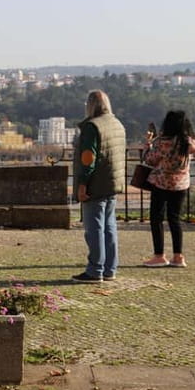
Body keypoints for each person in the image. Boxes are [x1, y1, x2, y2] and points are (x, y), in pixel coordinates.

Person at [71, 90, 126, 283]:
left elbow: (88, 158)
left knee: (94, 229)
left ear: (90, 105)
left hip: (96, 184)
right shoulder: (117, 124)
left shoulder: (92, 127)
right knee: (109, 228)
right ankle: (110, 268)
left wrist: (83, 184)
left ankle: (95, 270)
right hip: (113, 182)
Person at [141, 110, 195, 268]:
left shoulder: (163, 142)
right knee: (174, 219)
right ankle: (178, 256)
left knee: (157, 219)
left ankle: (159, 255)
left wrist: (148, 144)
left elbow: (150, 160)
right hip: (181, 184)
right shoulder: (189, 143)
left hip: (162, 183)